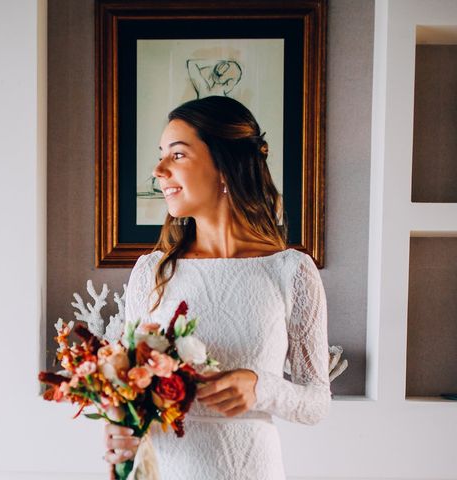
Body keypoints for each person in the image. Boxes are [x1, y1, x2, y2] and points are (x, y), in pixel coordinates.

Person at [103, 95, 332, 479]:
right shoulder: (150, 272)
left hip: (251, 469)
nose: (158, 169)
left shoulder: (290, 271)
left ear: (224, 166)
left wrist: (261, 388)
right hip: (167, 468)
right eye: (161, 155)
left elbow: (316, 403)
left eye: (177, 155)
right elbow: (132, 391)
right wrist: (118, 432)